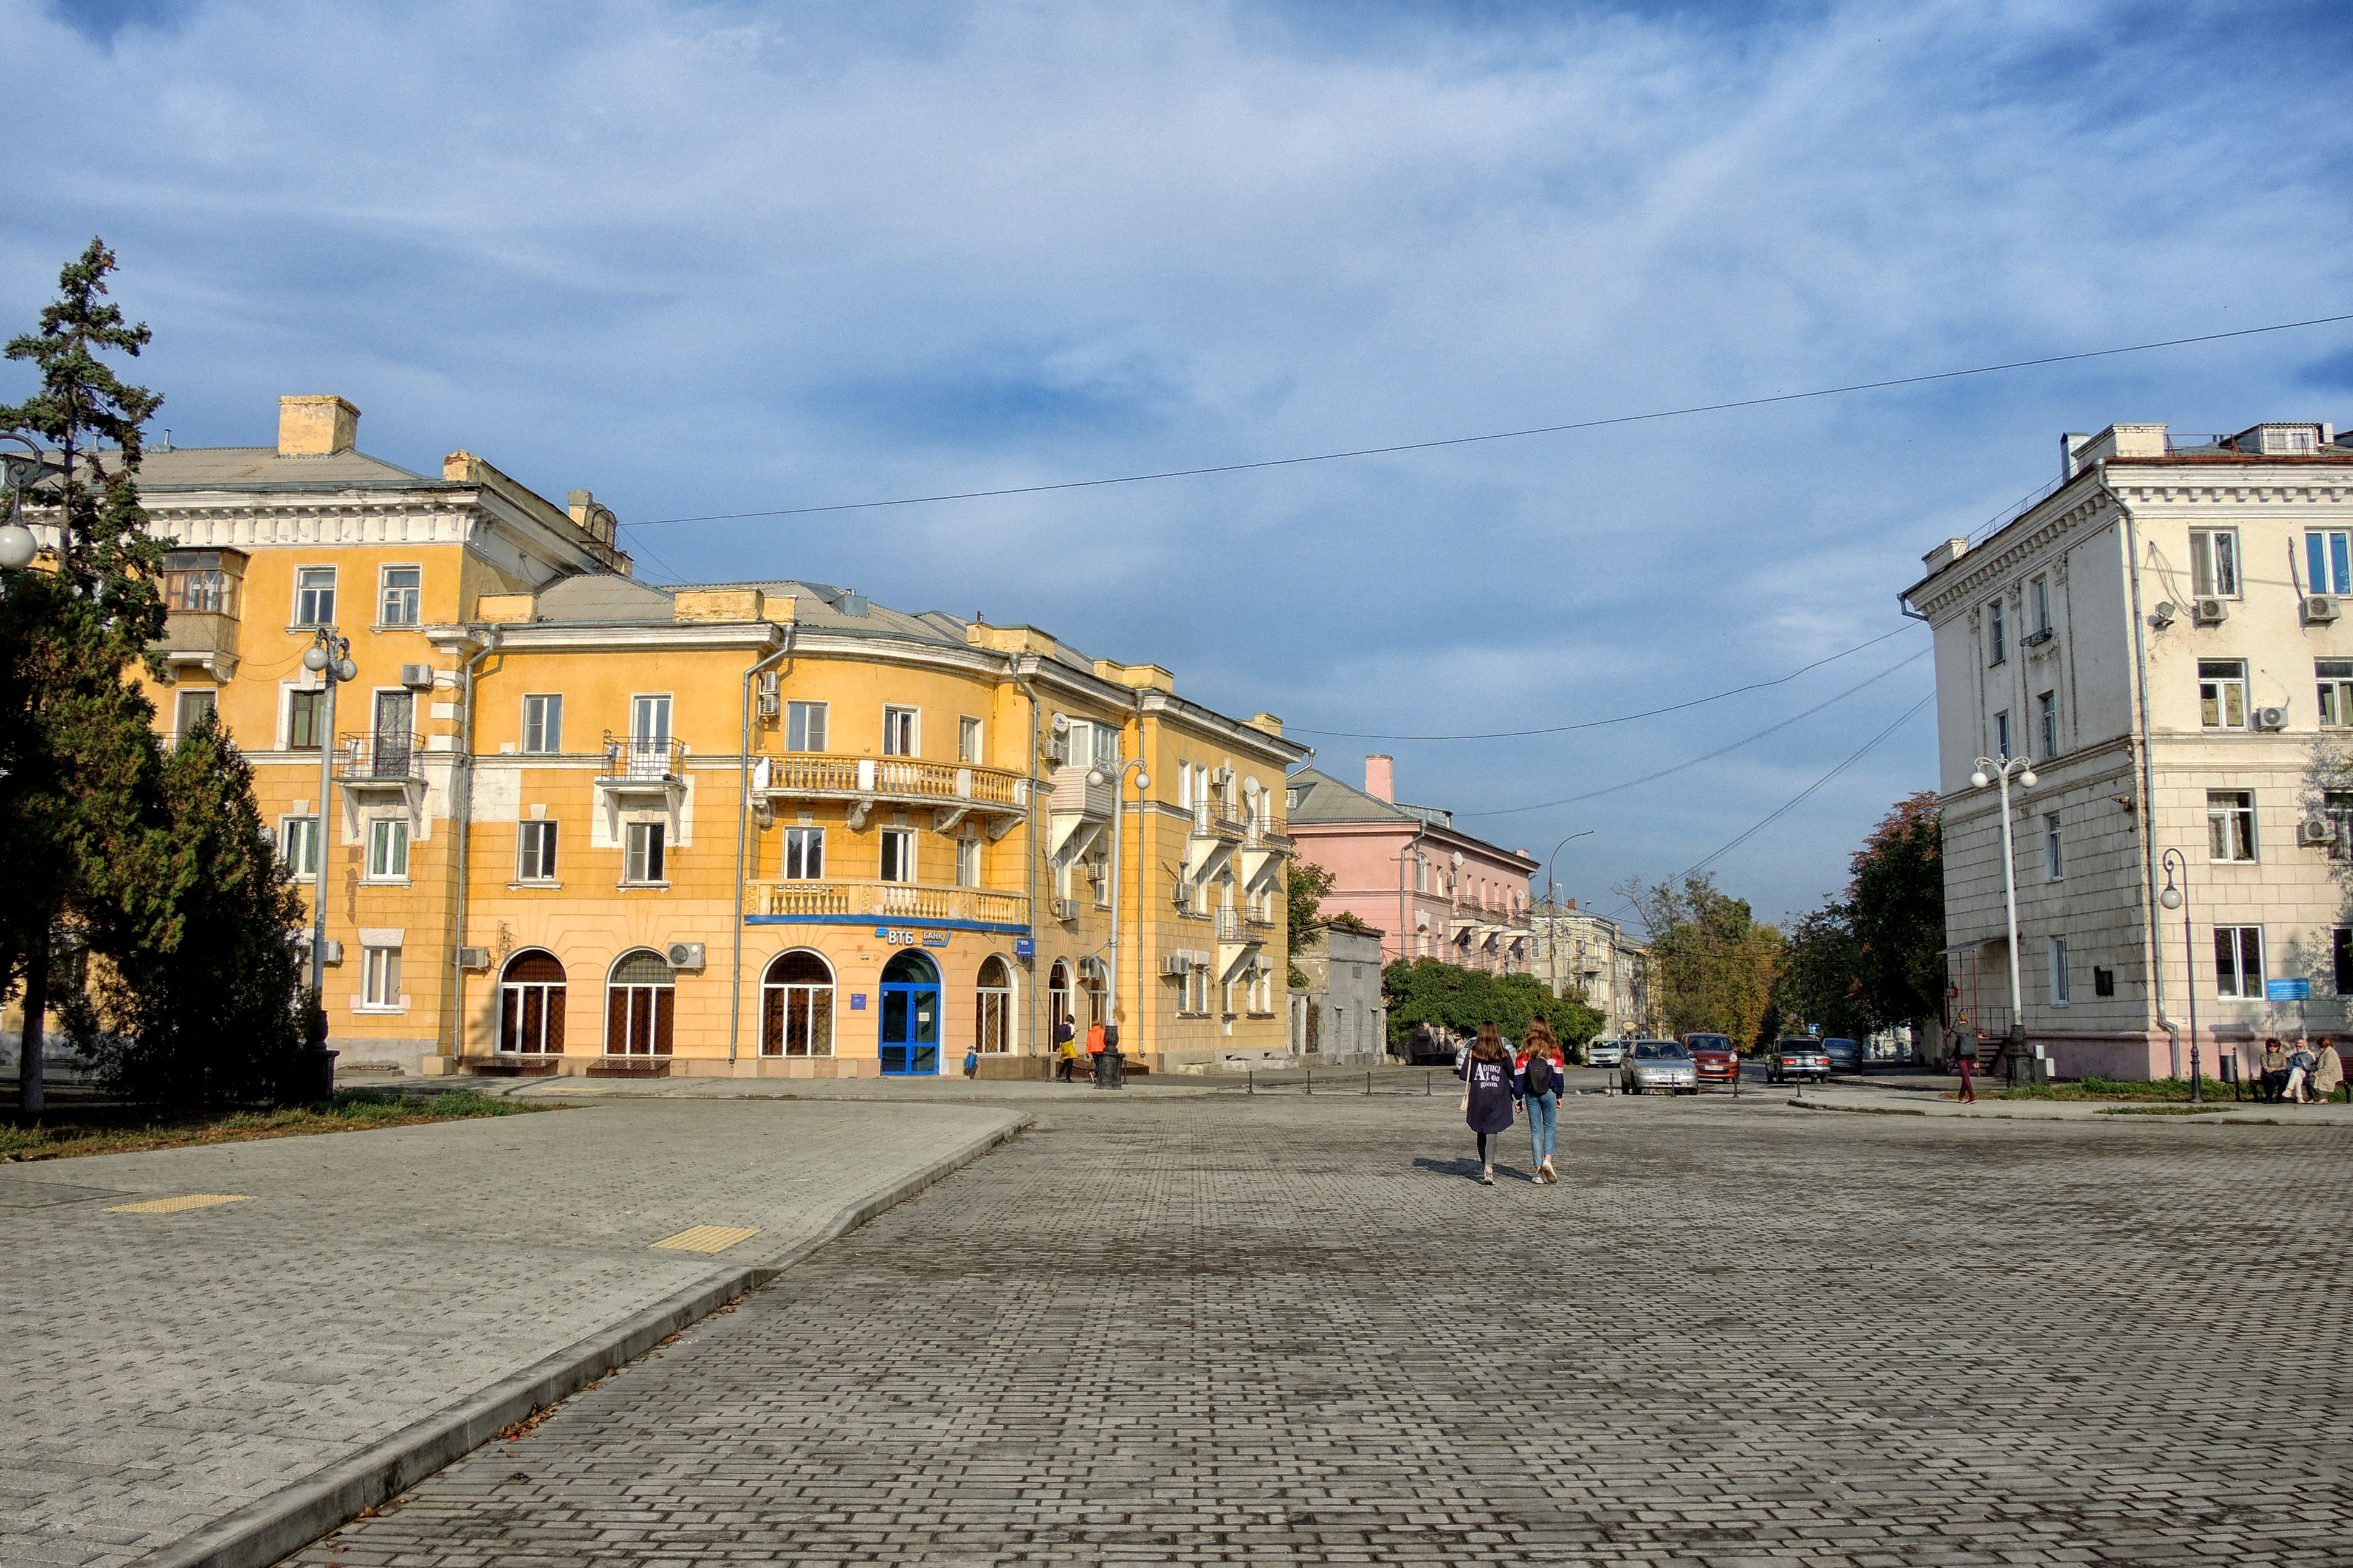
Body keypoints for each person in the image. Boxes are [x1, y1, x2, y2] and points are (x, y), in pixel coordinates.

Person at [1459, 1023, 1517, 1185]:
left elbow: (1464, 1075)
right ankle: (1488, 1169)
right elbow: (1512, 1074)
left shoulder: (1473, 1053)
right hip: (1498, 1098)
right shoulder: (1503, 1054)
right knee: (1492, 1133)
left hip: (1479, 1098)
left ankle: (1485, 1165)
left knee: (1481, 1131)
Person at [1516, 1019, 1567, 1183]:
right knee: (1550, 1128)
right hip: (1549, 1092)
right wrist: (1559, 1095)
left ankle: (1538, 1173)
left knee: (1536, 1132)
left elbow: (1518, 1077)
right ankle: (1548, 1160)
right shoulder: (1554, 1049)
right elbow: (1559, 1075)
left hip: (1531, 1094)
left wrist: (1518, 1098)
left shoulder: (1524, 1051)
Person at [2283, 1039, 2317, 1104]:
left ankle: (2289, 1090)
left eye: (2300, 1047)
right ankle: (2299, 1098)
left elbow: (2310, 1067)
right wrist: (2298, 1068)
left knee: (2296, 1070)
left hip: (2307, 1074)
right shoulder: (2294, 1056)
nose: (2298, 1048)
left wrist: (2300, 1066)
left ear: (2305, 1046)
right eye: (2297, 1046)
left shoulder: (2310, 1055)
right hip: (2295, 1074)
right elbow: (2290, 1067)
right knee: (2297, 1074)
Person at [2313, 1036, 2345, 1104]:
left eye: (2319, 1045)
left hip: (2331, 1075)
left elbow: (2327, 1068)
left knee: (2311, 1080)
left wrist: (2316, 1074)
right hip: (2326, 1073)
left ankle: (2321, 1098)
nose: (2318, 1047)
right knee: (2309, 1079)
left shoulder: (2330, 1053)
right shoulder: (2325, 1052)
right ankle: (2314, 1098)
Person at [2261, 1038, 2289, 1102]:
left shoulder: (2281, 1055)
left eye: (2275, 1046)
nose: (2272, 1048)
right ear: (2267, 1046)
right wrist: (2269, 1070)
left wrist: (2275, 1069)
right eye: (2270, 1046)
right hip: (2267, 1073)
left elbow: (2284, 1066)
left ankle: (2279, 1096)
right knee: (2271, 1079)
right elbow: (2264, 1066)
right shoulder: (2264, 1055)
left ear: (2278, 1047)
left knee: (2284, 1079)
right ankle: (2269, 1097)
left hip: (2278, 1073)